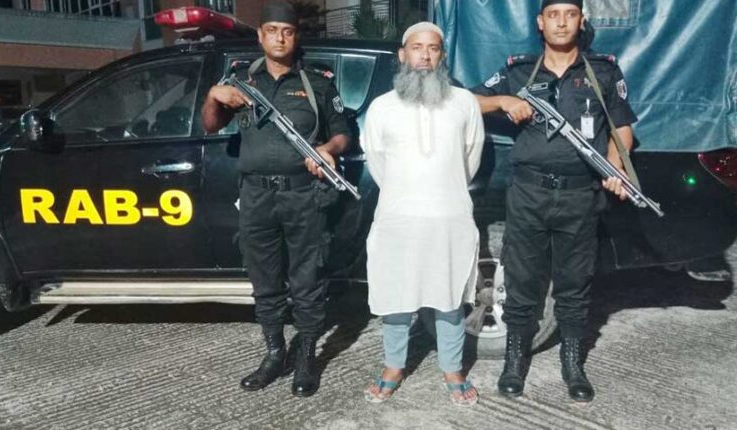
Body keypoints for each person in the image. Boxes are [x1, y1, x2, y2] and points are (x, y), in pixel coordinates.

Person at [471, 0, 637, 402]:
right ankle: (514, 361)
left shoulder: (602, 72)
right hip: (528, 193)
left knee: (574, 283)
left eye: (570, 14)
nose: (562, 23)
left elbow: (622, 129)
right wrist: (503, 101)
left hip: (580, 194)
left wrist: (616, 169)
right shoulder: (518, 71)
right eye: (553, 15)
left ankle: (573, 365)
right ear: (540, 22)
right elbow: (467, 101)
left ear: (581, 21)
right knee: (522, 280)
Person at [201, 0, 351, 397]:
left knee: (307, 279)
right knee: (264, 278)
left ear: (295, 36)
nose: (279, 39)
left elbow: (342, 132)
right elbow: (211, 124)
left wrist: (328, 148)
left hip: (304, 195)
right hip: (255, 196)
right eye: (271, 31)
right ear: (260, 36)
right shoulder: (240, 81)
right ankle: (274, 352)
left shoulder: (317, 81)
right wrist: (214, 95)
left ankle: (306, 358)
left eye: (287, 32)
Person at [360, 22, 485, 406]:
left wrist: (441, 190)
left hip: (449, 216)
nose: (425, 56)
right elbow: (377, 161)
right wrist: (407, 193)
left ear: (442, 56)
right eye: (417, 47)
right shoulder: (382, 107)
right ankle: (393, 366)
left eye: (433, 48)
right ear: (403, 54)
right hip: (398, 217)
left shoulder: (464, 102)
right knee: (396, 296)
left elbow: (471, 156)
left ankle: (453, 368)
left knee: (449, 297)